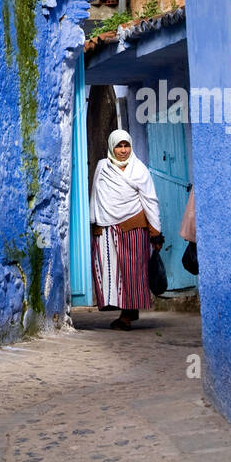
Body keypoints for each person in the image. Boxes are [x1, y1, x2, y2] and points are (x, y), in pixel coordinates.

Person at [90, 128, 164, 330]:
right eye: (119, 146)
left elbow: (150, 200)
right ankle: (123, 309)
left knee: (133, 272)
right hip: (106, 228)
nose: (123, 150)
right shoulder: (102, 167)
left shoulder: (139, 169)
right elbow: (96, 195)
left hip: (133, 226)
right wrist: (95, 222)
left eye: (126, 145)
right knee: (111, 271)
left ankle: (127, 315)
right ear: (111, 147)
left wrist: (155, 231)